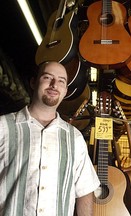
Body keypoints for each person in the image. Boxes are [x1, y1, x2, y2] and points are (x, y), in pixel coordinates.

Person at [0, 61, 100, 216]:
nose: (54, 85)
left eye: (61, 81)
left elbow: (84, 191)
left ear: (65, 91)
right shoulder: (3, 127)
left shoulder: (74, 138)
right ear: (33, 82)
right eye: (47, 77)